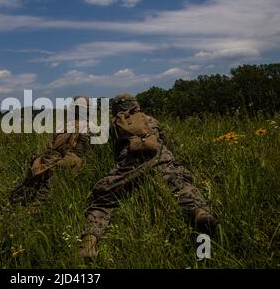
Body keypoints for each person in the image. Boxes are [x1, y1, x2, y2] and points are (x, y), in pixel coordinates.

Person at [78, 93, 217, 259]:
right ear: (135, 104)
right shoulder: (151, 120)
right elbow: (167, 142)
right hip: (161, 160)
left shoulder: (114, 125)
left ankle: (89, 243)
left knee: (104, 199)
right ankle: (199, 211)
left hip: (130, 166)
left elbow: (113, 152)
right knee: (181, 184)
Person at [0, 96, 91, 267]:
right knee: (26, 209)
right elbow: (77, 157)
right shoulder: (84, 128)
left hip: (44, 171)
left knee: (12, 204)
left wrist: (44, 162)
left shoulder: (65, 126)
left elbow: (60, 152)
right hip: (50, 174)